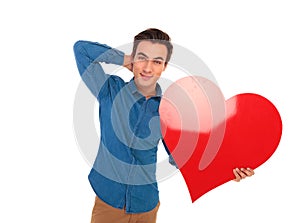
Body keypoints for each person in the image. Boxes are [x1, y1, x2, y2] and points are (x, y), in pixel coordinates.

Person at [73, 28, 254, 223]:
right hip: (109, 205)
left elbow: (185, 160)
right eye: (142, 58)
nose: (148, 68)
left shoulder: (170, 112)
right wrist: (125, 59)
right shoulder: (109, 90)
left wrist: (227, 172)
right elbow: (81, 49)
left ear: (164, 67)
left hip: (147, 206)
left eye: (157, 62)